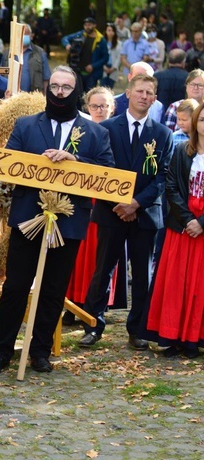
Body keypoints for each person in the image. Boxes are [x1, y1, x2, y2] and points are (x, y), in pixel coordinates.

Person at [0, 67, 114, 375]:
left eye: (66, 87)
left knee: (54, 288)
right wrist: (38, 165)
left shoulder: (95, 132)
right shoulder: (26, 126)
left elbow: (106, 172)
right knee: (15, 286)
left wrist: (76, 162)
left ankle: (39, 350)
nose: (59, 92)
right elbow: (7, 166)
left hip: (68, 221)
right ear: (47, 89)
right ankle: (0, 352)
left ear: (75, 91)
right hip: (29, 216)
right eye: (54, 86)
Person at [81, 74, 174, 350]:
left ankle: (138, 329)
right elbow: (101, 169)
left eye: (149, 92)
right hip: (111, 212)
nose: (144, 96)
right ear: (129, 94)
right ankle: (93, 324)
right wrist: (119, 203)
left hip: (145, 214)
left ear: (154, 98)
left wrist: (136, 203)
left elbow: (163, 176)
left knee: (143, 274)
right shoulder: (107, 128)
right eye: (139, 91)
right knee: (103, 269)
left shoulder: (162, 134)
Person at [142, 103, 204, 358]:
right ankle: (172, 335)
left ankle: (194, 338)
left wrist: (202, 222)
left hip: (202, 228)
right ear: (195, 123)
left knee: (199, 286)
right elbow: (171, 187)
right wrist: (188, 219)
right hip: (181, 227)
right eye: (202, 120)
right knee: (176, 284)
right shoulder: (182, 151)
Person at [64, 86, 127, 326]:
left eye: (104, 106)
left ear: (112, 108)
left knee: (99, 258)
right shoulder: (79, 131)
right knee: (78, 255)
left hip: (108, 202)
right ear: (87, 107)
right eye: (94, 106)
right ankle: (73, 304)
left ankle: (95, 305)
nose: (99, 110)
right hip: (81, 199)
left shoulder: (119, 132)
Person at [61, 17, 108, 91]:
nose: (87, 27)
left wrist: (93, 66)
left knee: (89, 95)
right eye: (85, 25)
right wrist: (67, 45)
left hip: (92, 74)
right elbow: (65, 38)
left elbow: (105, 58)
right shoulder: (80, 34)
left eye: (89, 25)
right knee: (77, 94)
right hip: (78, 70)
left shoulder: (101, 40)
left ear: (94, 25)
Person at [1, 25, 51, 94]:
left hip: (33, 97)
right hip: (10, 97)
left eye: (26, 33)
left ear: (31, 36)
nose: (23, 36)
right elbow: (0, 75)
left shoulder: (40, 53)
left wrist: (45, 97)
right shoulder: (7, 53)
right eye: (20, 33)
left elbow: (46, 78)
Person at [101, 23, 122, 89]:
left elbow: (119, 57)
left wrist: (113, 68)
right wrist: (103, 66)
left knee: (110, 88)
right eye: (109, 30)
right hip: (103, 67)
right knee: (102, 88)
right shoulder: (101, 42)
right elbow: (99, 56)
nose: (110, 32)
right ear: (106, 31)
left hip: (113, 68)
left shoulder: (119, 44)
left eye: (112, 31)